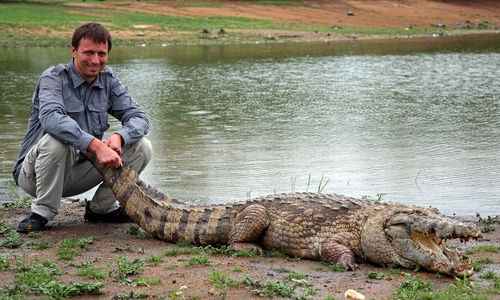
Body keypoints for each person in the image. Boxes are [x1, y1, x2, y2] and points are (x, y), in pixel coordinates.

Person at [12, 23, 152, 233]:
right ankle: (41, 212)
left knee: (142, 146)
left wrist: (120, 137)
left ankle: (102, 210)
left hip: (77, 173)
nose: (95, 61)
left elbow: (139, 117)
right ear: (74, 50)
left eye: (101, 54)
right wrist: (96, 145)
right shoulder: (53, 78)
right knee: (58, 140)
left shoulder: (108, 80)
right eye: (88, 52)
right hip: (35, 175)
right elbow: (51, 119)